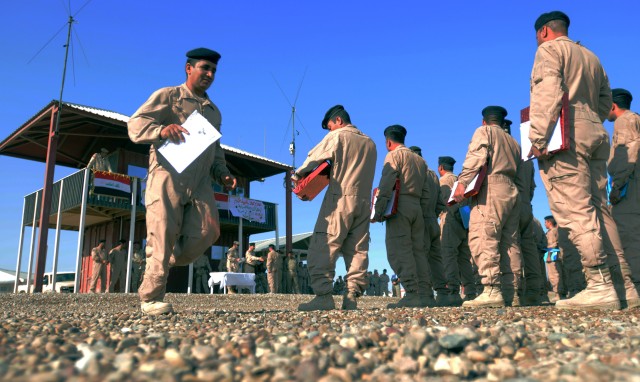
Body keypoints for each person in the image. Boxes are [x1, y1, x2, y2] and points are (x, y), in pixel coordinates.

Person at [529, 12, 637, 310]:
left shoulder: (549, 50)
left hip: (565, 134)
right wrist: (591, 119)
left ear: (544, 32)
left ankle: (600, 284)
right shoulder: (591, 56)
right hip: (595, 132)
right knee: (600, 209)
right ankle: (624, 285)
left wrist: (538, 139)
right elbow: (605, 102)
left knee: (575, 209)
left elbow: (547, 92)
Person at [128, 47, 237, 315]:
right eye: (204, 68)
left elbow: (216, 148)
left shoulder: (213, 111)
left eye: (213, 71)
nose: (210, 74)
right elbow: (135, 124)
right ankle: (151, 298)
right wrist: (162, 130)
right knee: (162, 232)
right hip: (167, 174)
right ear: (189, 69)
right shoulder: (169, 96)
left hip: (199, 180)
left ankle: (162, 257)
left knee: (209, 230)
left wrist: (222, 173)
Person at [294, 105, 377, 311]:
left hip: (340, 198)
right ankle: (351, 297)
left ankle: (323, 296)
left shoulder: (338, 136)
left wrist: (298, 175)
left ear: (338, 121)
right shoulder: (371, 143)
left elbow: (314, 157)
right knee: (358, 249)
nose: (330, 131)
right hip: (363, 201)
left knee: (323, 244)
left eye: (330, 126)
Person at [452, 106, 521, 308]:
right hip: (511, 188)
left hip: (491, 186)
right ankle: (510, 291)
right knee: (509, 242)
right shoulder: (514, 142)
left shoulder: (484, 132)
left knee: (484, 236)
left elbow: (476, 157)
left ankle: (491, 289)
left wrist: (462, 183)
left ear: (484, 121)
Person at [372, 125, 431, 308]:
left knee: (399, 250)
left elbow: (387, 183)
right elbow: (427, 192)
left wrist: (379, 210)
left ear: (389, 142)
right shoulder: (420, 161)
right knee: (418, 252)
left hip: (400, 206)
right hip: (417, 208)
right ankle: (425, 294)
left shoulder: (393, 156)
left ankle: (412, 293)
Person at [507, 119, 545, 306]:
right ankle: (534, 291)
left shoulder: (506, 150)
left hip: (511, 203)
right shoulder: (525, 154)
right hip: (526, 204)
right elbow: (532, 186)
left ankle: (513, 291)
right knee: (528, 247)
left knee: (511, 243)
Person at [608, 88, 640, 305]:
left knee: (628, 237)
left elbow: (627, 152)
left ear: (612, 106)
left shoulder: (623, 122)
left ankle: (636, 289)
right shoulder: (636, 119)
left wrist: (617, 186)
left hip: (630, 184)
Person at [409, 146, 448, 305]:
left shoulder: (416, 171)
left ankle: (425, 294)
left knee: (420, 256)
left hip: (421, 220)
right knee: (436, 259)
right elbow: (440, 204)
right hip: (433, 220)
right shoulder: (433, 174)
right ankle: (443, 293)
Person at [437, 155, 477, 304]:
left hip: (450, 219)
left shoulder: (443, 180)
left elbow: (445, 202)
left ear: (440, 167)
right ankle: (471, 291)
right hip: (464, 219)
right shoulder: (461, 180)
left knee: (449, 256)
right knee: (464, 258)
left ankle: (452, 292)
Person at [544, 215, 563, 302]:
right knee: (558, 274)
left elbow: (552, 245)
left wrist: (548, 256)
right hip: (555, 254)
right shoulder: (555, 230)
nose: (545, 224)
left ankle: (558, 294)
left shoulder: (552, 232)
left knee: (553, 275)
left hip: (552, 255)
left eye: (545, 222)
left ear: (549, 222)